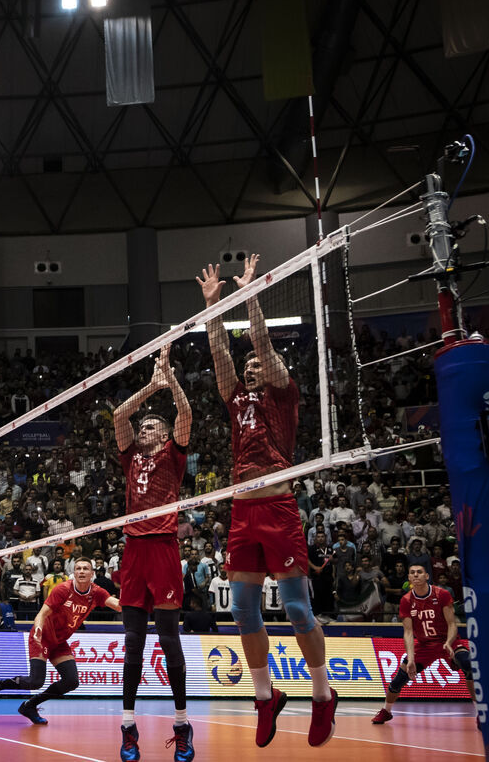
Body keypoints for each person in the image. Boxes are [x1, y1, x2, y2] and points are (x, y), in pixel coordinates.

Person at [199, 255, 337, 748]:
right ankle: (265, 697)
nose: (253, 366)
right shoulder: (235, 396)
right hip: (242, 511)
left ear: (274, 367)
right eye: (249, 364)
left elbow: (260, 342)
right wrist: (213, 305)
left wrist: (250, 294)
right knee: (241, 610)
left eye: (260, 363)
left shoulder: (284, 393)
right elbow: (221, 356)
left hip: (278, 507)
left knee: (299, 610)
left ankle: (323, 697)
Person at [110, 345, 194, 761]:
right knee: (132, 643)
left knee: (169, 641)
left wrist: (172, 382)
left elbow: (186, 415)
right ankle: (128, 727)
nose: (142, 429)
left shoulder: (173, 456)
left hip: (162, 550)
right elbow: (118, 417)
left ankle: (181, 724)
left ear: (163, 435)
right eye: (141, 427)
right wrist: (152, 385)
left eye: (150, 427)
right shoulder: (131, 459)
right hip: (133, 555)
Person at [0, 559, 120, 724]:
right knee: (36, 681)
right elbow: (42, 614)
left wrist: (137, 598)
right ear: (73, 572)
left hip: (59, 642)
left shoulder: (96, 592)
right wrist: (37, 628)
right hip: (42, 636)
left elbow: (117, 605)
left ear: (92, 573)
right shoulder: (63, 589)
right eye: (78, 568)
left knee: (71, 681)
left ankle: (30, 705)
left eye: (85, 569)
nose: (81, 571)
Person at [372, 564, 476, 724]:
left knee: (469, 664)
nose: (416, 575)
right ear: (409, 578)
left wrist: (448, 642)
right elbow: (407, 632)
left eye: (419, 572)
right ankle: (386, 711)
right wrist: (411, 659)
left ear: (427, 576)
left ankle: (479, 713)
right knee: (398, 680)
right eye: (412, 572)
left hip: (447, 641)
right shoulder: (406, 601)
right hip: (424, 646)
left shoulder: (442, 594)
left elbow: (452, 624)